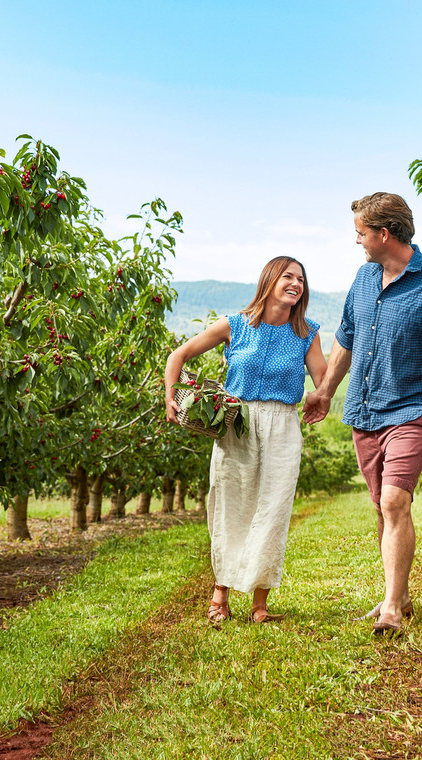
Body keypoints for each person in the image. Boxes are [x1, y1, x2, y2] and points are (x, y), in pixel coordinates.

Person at [303, 192, 422, 635]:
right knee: (382, 507)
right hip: (365, 410)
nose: (356, 241)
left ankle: (391, 607)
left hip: (413, 410)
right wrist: (325, 391)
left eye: (360, 233)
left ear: (384, 234)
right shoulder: (363, 278)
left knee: (396, 500)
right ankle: (402, 594)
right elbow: (347, 338)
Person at [165, 256, 327, 624]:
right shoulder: (235, 324)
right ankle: (220, 594)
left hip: (284, 425)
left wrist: (323, 398)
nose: (296, 284)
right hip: (238, 424)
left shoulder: (308, 333)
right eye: (288, 276)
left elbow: (324, 381)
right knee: (231, 506)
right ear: (269, 280)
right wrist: (170, 396)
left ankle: (259, 604)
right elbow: (179, 355)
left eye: (301, 279)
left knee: (273, 509)